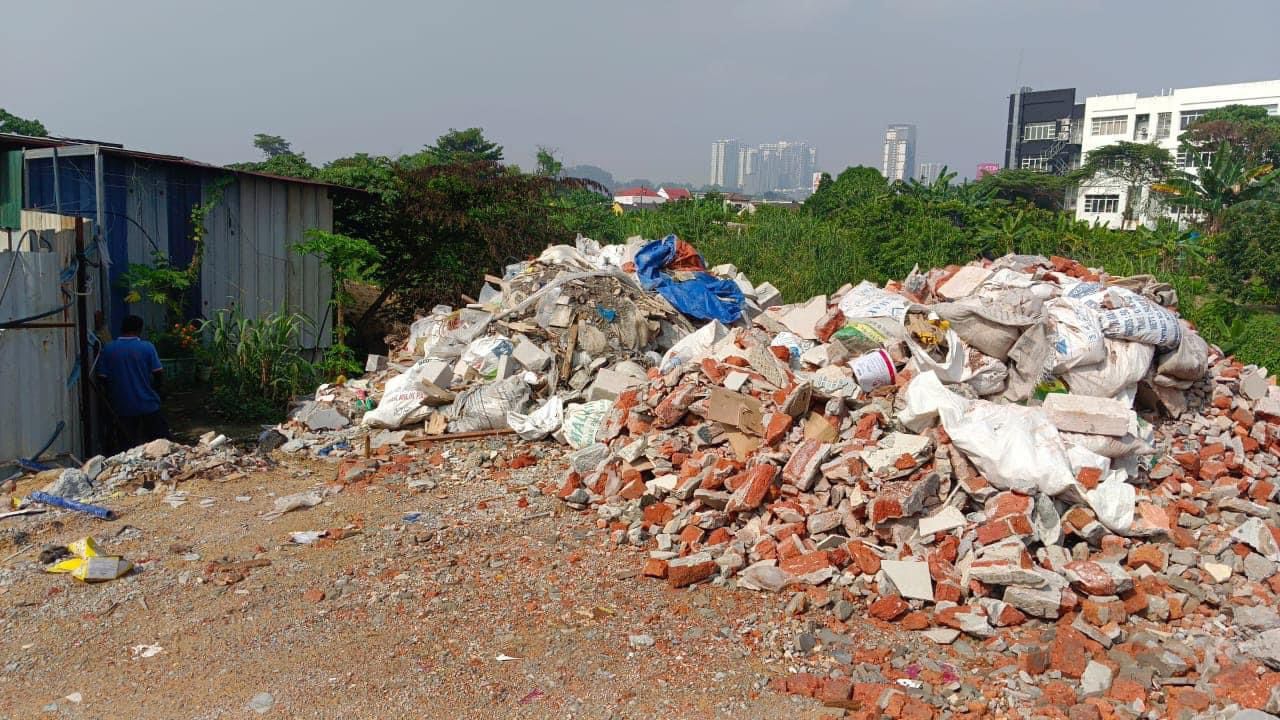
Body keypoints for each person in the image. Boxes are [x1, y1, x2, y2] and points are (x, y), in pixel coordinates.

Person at [96, 315, 169, 449]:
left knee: (127, 447)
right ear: (139, 329)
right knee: (159, 443)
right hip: (148, 403)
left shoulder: (109, 349)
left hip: (122, 406)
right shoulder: (147, 347)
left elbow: (102, 378)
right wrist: (158, 393)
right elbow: (158, 373)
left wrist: (112, 397)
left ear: (122, 328)